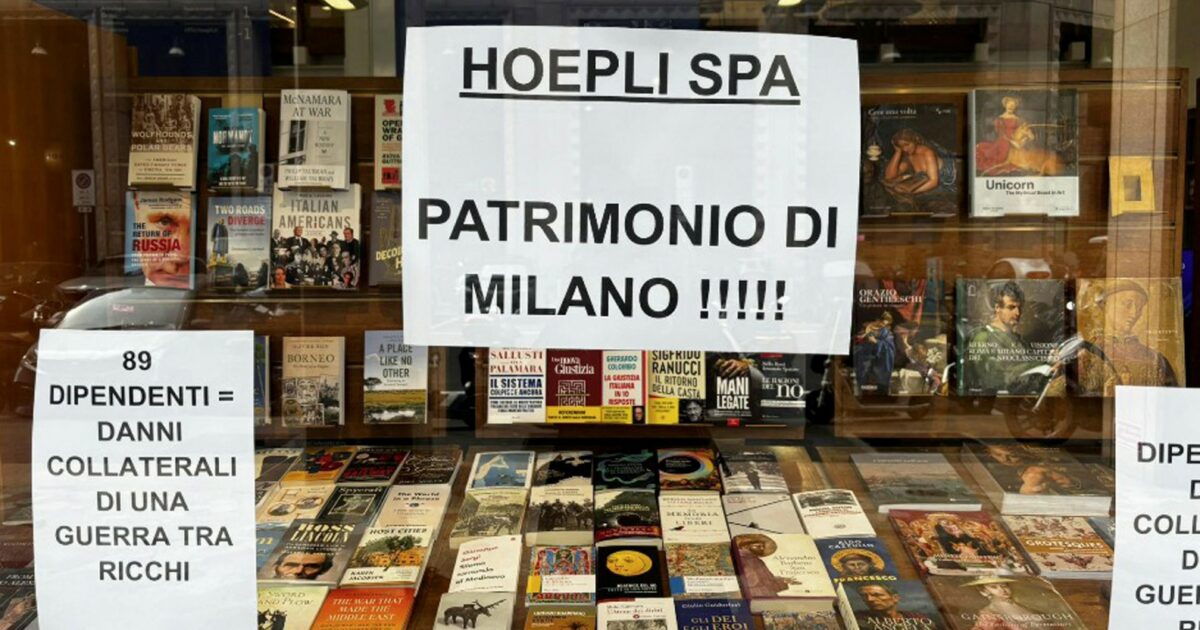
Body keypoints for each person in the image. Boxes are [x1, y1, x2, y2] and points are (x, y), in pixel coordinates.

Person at [1078, 279, 1179, 394]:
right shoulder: (1087, 355)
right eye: (1127, 304)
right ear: (1106, 305)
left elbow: (1172, 398)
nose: (1134, 313)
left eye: (1139, 308)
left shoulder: (1156, 359)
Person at [963, 281, 1048, 395]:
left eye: (1019, 307)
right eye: (1011, 307)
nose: (1017, 313)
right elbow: (995, 378)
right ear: (997, 308)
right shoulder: (982, 337)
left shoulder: (1017, 340)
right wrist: (1044, 362)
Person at [130, 191, 192, 288]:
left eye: (197, 229)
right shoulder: (114, 292)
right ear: (137, 207)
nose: (179, 257)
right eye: (164, 222)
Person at [964, 576, 1043, 630]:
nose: (1002, 590)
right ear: (984, 592)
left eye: (1004, 585)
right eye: (994, 587)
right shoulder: (989, 613)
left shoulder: (1020, 605)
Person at [975, 95, 1026, 175]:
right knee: (1001, 158)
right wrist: (1011, 141)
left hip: (1015, 140)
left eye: (1013, 105)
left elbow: (1019, 131)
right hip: (1003, 140)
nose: (1011, 107)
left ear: (1015, 107)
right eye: (1009, 104)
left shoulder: (1017, 119)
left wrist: (1019, 141)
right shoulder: (1000, 119)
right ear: (1005, 105)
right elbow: (1001, 133)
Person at [853, 311, 895, 393]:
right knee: (864, 388)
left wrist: (876, 342)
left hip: (880, 363)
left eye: (885, 324)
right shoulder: (865, 327)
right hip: (864, 361)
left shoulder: (886, 332)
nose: (883, 326)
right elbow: (856, 343)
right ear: (877, 320)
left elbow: (890, 347)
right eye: (882, 323)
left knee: (879, 390)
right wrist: (861, 339)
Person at [856, 583, 934, 622]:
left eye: (877, 595)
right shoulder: (859, 618)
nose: (869, 599)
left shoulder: (918, 618)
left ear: (895, 598)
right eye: (864, 596)